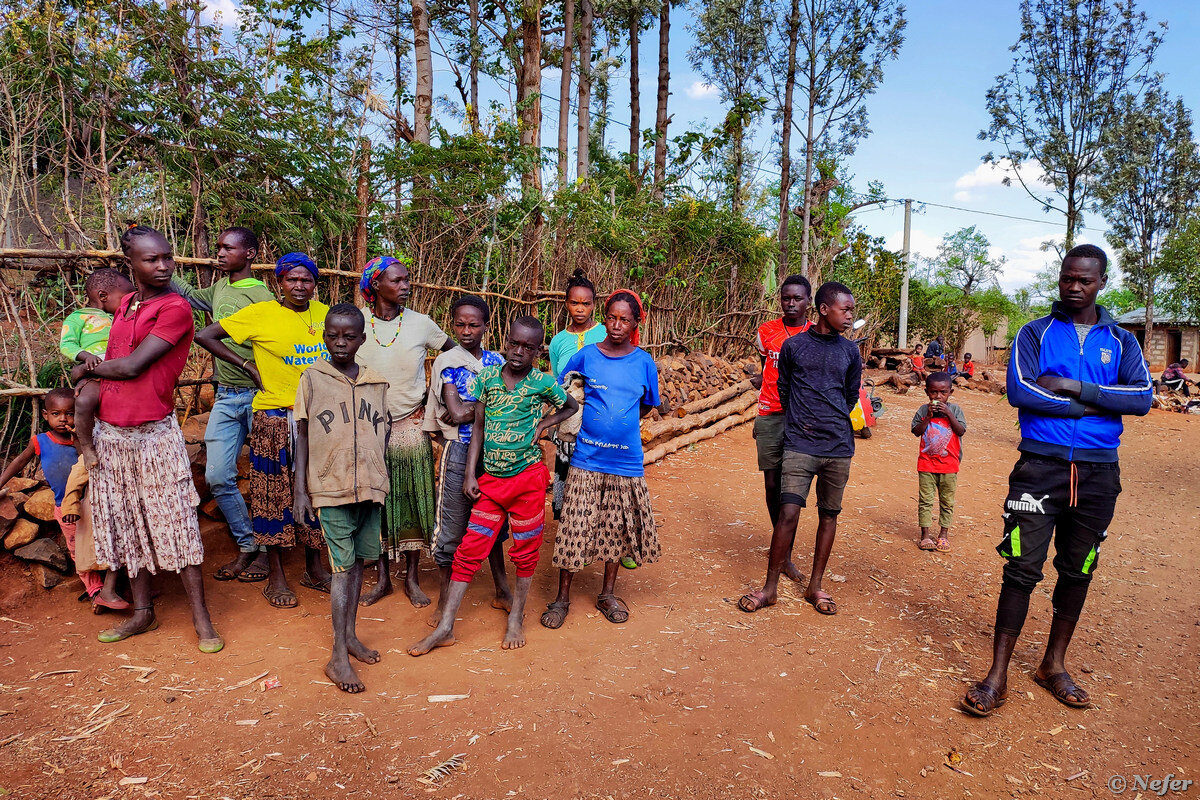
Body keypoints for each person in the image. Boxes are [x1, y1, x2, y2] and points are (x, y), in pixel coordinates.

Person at [961, 244, 1152, 717]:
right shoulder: (1035, 332)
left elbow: (1142, 397)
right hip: (1040, 466)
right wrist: (1094, 406)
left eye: (1084, 280)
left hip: (1098, 472)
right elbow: (1020, 391)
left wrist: (1072, 388)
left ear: (1101, 282)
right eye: (1067, 277)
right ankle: (997, 675)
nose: (1073, 286)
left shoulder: (1123, 341)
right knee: (1021, 568)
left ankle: (1053, 664)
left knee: (1078, 568)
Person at [71, 225, 221, 651]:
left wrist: (86, 371)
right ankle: (142, 614)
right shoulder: (129, 304)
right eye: (151, 259)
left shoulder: (176, 309)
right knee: (128, 524)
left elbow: (134, 366)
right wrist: (95, 377)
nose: (163, 266)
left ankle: (202, 619)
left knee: (177, 524)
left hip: (155, 435)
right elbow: (116, 358)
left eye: (167, 257)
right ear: (131, 263)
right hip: (112, 435)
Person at [409, 316, 577, 655]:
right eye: (514, 343)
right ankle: (445, 628)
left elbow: (570, 406)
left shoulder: (542, 383)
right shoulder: (486, 378)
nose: (518, 352)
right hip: (491, 482)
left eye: (527, 347)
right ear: (505, 341)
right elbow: (479, 430)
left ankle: (516, 616)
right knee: (470, 549)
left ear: (537, 351)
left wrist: (544, 423)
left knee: (526, 551)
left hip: (528, 481)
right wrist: (471, 474)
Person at [195, 252, 332, 609]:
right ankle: (277, 576)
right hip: (273, 415)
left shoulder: (324, 314)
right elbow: (206, 335)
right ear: (279, 282)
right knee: (273, 496)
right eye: (292, 279)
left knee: (316, 491)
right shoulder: (261, 314)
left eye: (306, 280)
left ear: (315, 284)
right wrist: (246, 365)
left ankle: (314, 569)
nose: (299, 286)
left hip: (316, 418)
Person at [738, 281, 862, 616]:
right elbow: (785, 386)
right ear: (824, 309)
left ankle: (815, 585)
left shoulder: (851, 352)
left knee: (828, 515)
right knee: (788, 511)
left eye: (852, 309)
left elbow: (850, 395)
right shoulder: (794, 347)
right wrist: (803, 421)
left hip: (838, 445)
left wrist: (827, 418)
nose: (851, 315)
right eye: (846, 309)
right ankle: (770, 588)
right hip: (800, 443)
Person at [540, 290, 661, 629]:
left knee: (616, 528)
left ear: (636, 323)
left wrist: (618, 425)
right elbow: (567, 391)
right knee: (575, 525)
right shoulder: (587, 356)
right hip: (587, 458)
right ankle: (562, 597)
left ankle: (607, 594)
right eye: (611, 317)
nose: (617, 325)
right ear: (604, 318)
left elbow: (646, 404)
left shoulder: (643, 362)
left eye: (625, 319)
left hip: (626, 461)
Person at [292, 304, 388, 694]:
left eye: (349, 336)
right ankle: (337, 656)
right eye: (333, 335)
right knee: (341, 569)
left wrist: (380, 481)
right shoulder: (312, 379)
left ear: (362, 339)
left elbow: (382, 433)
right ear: (324, 336)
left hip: (369, 487)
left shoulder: (377, 382)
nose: (340, 342)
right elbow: (300, 435)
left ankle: (349, 636)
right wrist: (300, 490)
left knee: (361, 562)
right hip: (329, 488)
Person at [173, 227, 274, 583]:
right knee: (217, 476)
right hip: (228, 395)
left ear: (249, 253)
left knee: (269, 476)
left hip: (260, 395)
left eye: (227, 248)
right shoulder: (218, 288)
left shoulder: (262, 296)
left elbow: (272, 343)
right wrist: (159, 264)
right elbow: (185, 294)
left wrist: (254, 369)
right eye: (217, 247)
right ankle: (249, 544)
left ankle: (268, 550)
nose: (219, 253)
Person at [355, 255, 454, 608]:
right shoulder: (357, 323)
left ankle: (411, 579)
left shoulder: (421, 324)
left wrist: (436, 400)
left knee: (413, 499)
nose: (406, 286)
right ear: (376, 284)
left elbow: (453, 356)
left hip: (410, 424)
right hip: (367, 427)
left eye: (407, 280)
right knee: (375, 502)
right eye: (397, 280)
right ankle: (382, 577)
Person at [421, 295, 512, 625]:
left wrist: (475, 408)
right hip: (459, 453)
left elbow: (466, 409)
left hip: (493, 454)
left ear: (486, 326)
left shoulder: (497, 362)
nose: (466, 330)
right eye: (460, 324)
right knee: (451, 526)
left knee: (493, 523)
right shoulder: (448, 362)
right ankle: (445, 600)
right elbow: (456, 413)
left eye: (474, 324)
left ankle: (502, 589)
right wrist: (490, 406)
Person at [0, 388, 119, 609]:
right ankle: (94, 590)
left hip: (91, 504)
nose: (63, 419)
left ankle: (114, 586)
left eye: (70, 413)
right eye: (56, 414)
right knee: (77, 550)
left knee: (102, 542)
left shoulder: (84, 440)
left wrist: (78, 438)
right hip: (63, 507)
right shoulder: (40, 441)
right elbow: (19, 463)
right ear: (46, 415)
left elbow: (87, 461)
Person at [751, 274, 811, 583]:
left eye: (797, 298)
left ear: (808, 302)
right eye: (786, 297)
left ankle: (784, 554)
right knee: (772, 485)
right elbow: (765, 367)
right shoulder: (767, 331)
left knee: (793, 490)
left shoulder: (815, 334)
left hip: (802, 417)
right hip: (770, 414)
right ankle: (782, 543)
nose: (790, 303)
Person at [60, 268, 135, 470]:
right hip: (95, 370)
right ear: (103, 296)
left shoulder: (124, 317)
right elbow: (67, 344)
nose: (129, 301)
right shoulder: (78, 317)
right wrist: (86, 357)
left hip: (120, 370)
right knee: (84, 401)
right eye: (125, 297)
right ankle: (87, 447)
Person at [547, 268, 606, 520]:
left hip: (599, 418)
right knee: (568, 475)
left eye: (586, 303)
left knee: (600, 479)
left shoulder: (605, 333)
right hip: (568, 420)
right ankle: (572, 531)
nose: (580, 308)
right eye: (574, 303)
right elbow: (556, 381)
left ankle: (607, 533)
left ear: (594, 305)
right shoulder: (558, 341)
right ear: (566, 304)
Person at [912, 372, 967, 553]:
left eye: (943, 392)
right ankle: (925, 535)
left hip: (949, 465)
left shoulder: (955, 410)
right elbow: (916, 431)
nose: (938, 397)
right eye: (933, 392)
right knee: (926, 501)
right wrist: (928, 417)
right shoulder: (923, 410)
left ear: (950, 392)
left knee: (947, 501)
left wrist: (948, 414)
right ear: (927, 392)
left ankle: (943, 534)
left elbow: (960, 431)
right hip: (927, 464)